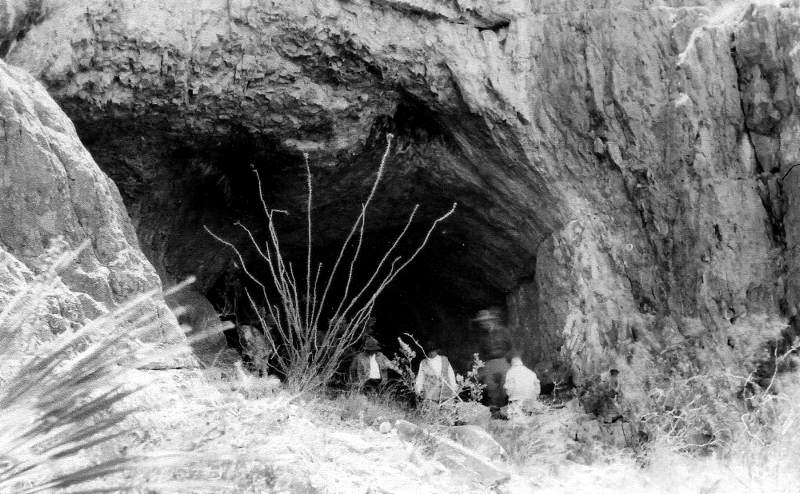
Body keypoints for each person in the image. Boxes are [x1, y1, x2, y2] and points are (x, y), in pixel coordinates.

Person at [503, 352, 541, 418]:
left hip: (516, 399)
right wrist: (535, 396)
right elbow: (537, 386)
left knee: (517, 417)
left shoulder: (510, 372)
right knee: (529, 417)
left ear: (511, 363)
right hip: (530, 398)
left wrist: (509, 396)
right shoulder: (530, 372)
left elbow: (508, 387)